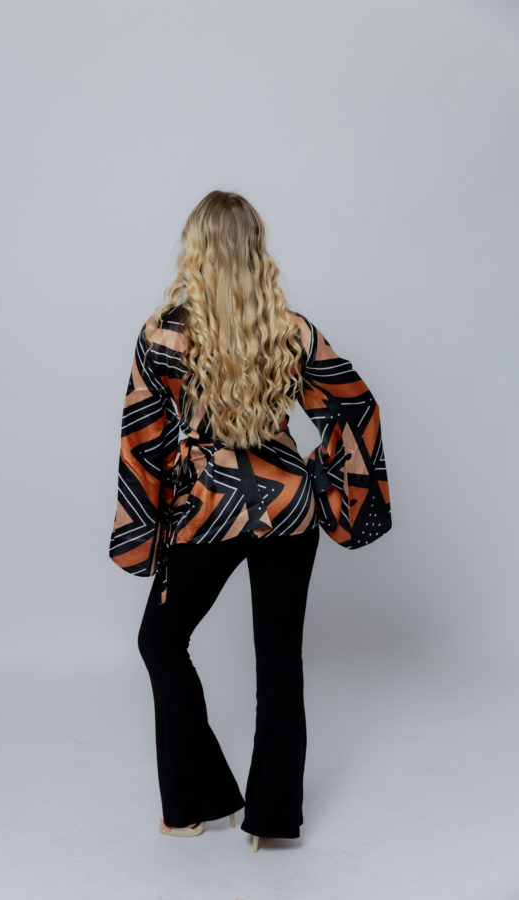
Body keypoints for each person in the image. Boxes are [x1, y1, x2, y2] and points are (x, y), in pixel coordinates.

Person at [109, 190, 392, 853]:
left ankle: (194, 805)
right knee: (280, 663)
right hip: (289, 511)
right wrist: (322, 483)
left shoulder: (163, 334)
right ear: (255, 249)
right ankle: (272, 820)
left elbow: (143, 440)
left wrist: (145, 535)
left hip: (208, 512)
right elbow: (355, 407)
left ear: (196, 248)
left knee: (160, 643)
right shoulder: (289, 330)